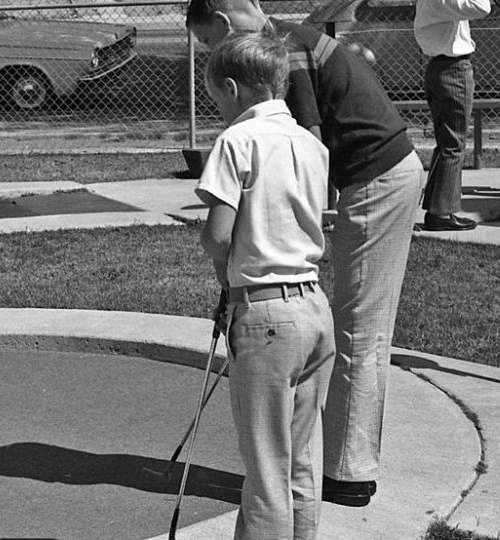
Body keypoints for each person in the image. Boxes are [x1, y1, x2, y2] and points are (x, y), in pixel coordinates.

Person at [187, 0, 424, 509]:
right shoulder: (283, 43)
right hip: (363, 178)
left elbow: (307, 142)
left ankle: (348, 473)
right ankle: (325, 477)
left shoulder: (286, 50)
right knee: (348, 322)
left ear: (224, 25)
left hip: (377, 175)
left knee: (361, 323)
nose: (213, 50)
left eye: (208, 41)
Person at [194, 32, 335, 540]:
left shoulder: (238, 140)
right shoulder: (311, 144)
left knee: (266, 473)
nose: (217, 109)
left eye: (215, 99)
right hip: (315, 308)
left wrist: (225, 260)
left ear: (231, 88)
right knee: (298, 460)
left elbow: (217, 236)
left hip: (267, 319)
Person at [415, 0, 491, 231]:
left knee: (446, 143)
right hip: (454, 69)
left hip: (440, 68)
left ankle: (437, 208)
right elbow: (483, 7)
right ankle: (441, 214)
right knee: (453, 144)